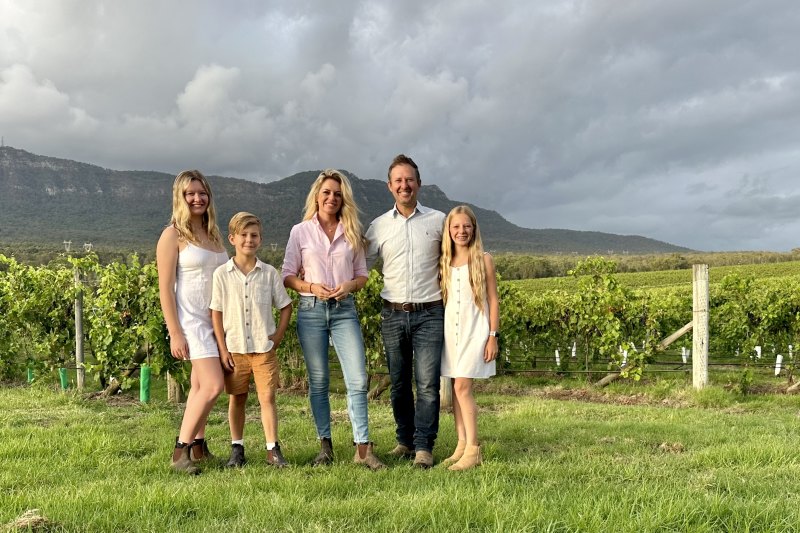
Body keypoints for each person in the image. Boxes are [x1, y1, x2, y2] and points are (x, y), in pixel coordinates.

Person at [282, 169, 385, 470]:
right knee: (319, 381)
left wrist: (349, 285)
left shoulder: (351, 232)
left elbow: (362, 276)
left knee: (357, 379)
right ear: (316, 196)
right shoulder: (300, 232)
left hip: (344, 310)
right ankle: (324, 446)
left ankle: (362, 448)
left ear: (344, 199)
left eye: (338, 194)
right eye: (326, 192)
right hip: (311, 309)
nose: (332, 198)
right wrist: (311, 287)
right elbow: (287, 275)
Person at [365, 154, 446, 469]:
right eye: (398, 180)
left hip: (430, 313)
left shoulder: (438, 220)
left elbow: (457, 257)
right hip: (393, 315)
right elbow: (359, 264)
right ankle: (405, 441)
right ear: (390, 186)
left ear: (419, 184)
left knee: (427, 384)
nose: (404, 185)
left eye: (409, 179)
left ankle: (424, 446)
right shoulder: (378, 226)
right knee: (399, 384)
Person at [156, 169, 228, 474]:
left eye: (202, 193)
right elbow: (165, 288)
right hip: (191, 321)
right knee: (213, 385)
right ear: (180, 197)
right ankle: (179, 452)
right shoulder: (172, 235)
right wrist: (175, 332)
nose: (197, 198)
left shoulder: (214, 234)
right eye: (190, 193)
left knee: (199, 385)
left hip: (215, 320)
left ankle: (198, 448)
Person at [210, 212, 293, 468]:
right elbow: (216, 313)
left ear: (260, 239)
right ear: (232, 239)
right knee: (237, 398)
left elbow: (285, 306)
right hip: (235, 349)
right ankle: (237, 449)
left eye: (254, 235)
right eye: (243, 235)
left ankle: (272, 449)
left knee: (267, 398)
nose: (249, 240)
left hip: (263, 349)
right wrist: (223, 349)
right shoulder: (222, 274)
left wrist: (278, 335)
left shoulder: (269, 273)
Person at [439, 205, 499, 471]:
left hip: (475, 331)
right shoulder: (445, 260)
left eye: (466, 226)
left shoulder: (483, 259)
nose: (461, 231)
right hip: (451, 333)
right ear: (449, 230)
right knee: (455, 388)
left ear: (474, 229)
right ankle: (461, 444)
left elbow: (493, 300)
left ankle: (474, 449)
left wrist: (492, 336)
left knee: (463, 387)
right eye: (456, 226)